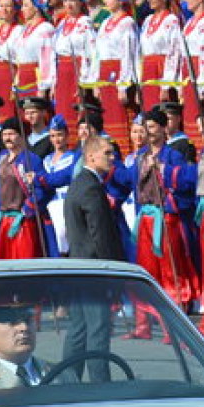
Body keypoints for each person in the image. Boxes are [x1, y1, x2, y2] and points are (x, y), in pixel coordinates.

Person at [63, 135, 125, 382]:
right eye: (107, 153)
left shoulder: (79, 183)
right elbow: (100, 234)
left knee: (78, 329)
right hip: (93, 269)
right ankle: (101, 385)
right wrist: (113, 270)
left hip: (79, 267)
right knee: (98, 330)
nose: (113, 158)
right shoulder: (91, 187)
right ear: (91, 156)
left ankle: (69, 381)